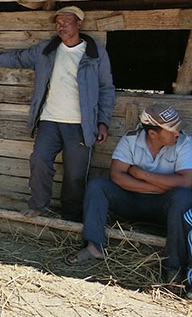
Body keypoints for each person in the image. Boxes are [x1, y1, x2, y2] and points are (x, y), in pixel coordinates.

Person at [0, 6, 115, 221]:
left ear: (79, 24)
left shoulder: (95, 53)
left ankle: (71, 218)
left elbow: (106, 88)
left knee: (75, 174)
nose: (61, 26)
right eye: (58, 23)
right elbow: (17, 58)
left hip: (81, 124)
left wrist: (103, 122)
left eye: (66, 22)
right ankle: (38, 206)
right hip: (49, 120)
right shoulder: (46, 50)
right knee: (39, 160)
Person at [67, 104, 192, 283]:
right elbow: (117, 175)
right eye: (172, 130)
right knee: (97, 186)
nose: (177, 133)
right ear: (153, 133)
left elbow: (186, 182)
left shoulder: (185, 143)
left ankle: (173, 266)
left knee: (183, 197)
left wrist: (141, 174)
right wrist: (160, 186)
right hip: (132, 201)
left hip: (164, 207)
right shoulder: (131, 140)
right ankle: (94, 246)